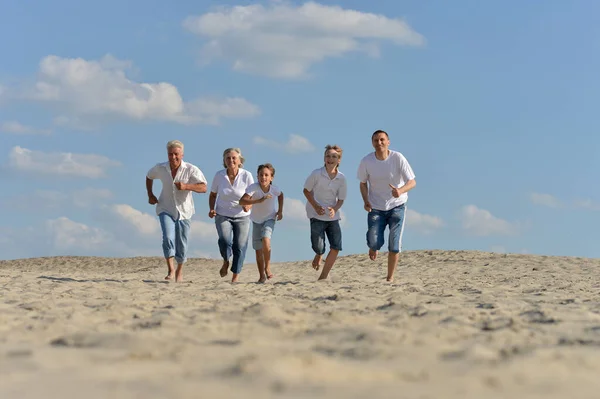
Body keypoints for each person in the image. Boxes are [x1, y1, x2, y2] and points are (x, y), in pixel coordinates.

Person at [357, 130, 416, 282]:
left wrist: (400, 191)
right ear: (372, 143)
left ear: (388, 142)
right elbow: (362, 183)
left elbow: (412, 181)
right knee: (375, 240)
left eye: (382, 140)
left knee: (394, 245)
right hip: (376, 207)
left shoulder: (397, 158)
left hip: (397, 206)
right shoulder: (367, 161)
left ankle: (389, 278)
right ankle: (373, 246)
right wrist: (365, 200)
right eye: (376, 140)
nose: (379, 143)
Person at [146, 140, 207, 282]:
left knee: (182, 242)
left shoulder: (191, 169)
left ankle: (179, 269)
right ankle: (171, 269)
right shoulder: (160, 168)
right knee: (168, 237)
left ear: (182, 154)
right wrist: (150, 194)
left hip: (184, 211)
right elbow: (149, 176)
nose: (173, 157)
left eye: (176, 154)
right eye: (170, 154)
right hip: (165, 208)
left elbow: (203, 187)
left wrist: (186, 186)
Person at [208, 148, 254, 283]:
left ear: (240, 161)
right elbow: (213, 195)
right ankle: (226, 260)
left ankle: (235, 276)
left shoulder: (247, 175)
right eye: (228, 158)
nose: (231, 160)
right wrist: (211, 209)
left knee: (240, 245)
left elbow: (253, 195)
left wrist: (248, 205)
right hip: (222, 214)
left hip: (242, 215)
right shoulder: (219, 175)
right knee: (224, 240)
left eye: (234, 158)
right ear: (224, 161)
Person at [303, 145, 347, 280]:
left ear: (338, 160)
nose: (330, 158)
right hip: (316, 214)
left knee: (336, 246)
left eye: (334, 156)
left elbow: (341, 199)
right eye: (328, 156)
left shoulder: (342, 178)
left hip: (333, 217)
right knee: (318, 246)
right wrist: (316, 206)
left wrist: (334, 209)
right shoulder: (316, 173)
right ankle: (319, 253)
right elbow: (306, 190)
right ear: (324, 158)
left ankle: (323, 276)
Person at [239, 163, 284, 283]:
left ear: (271, 178)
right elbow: (242, 201)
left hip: (269, 218)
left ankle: (267, 267)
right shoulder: (254, 187)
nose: (263, 177)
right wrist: (259, 200)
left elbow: (281, 195)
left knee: (266, 239)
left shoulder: (274, 189)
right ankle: (261, 276)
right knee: (258, 250)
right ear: (257, 176)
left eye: (266, 175)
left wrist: (280, 211)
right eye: (261, 175)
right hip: (256, 220)